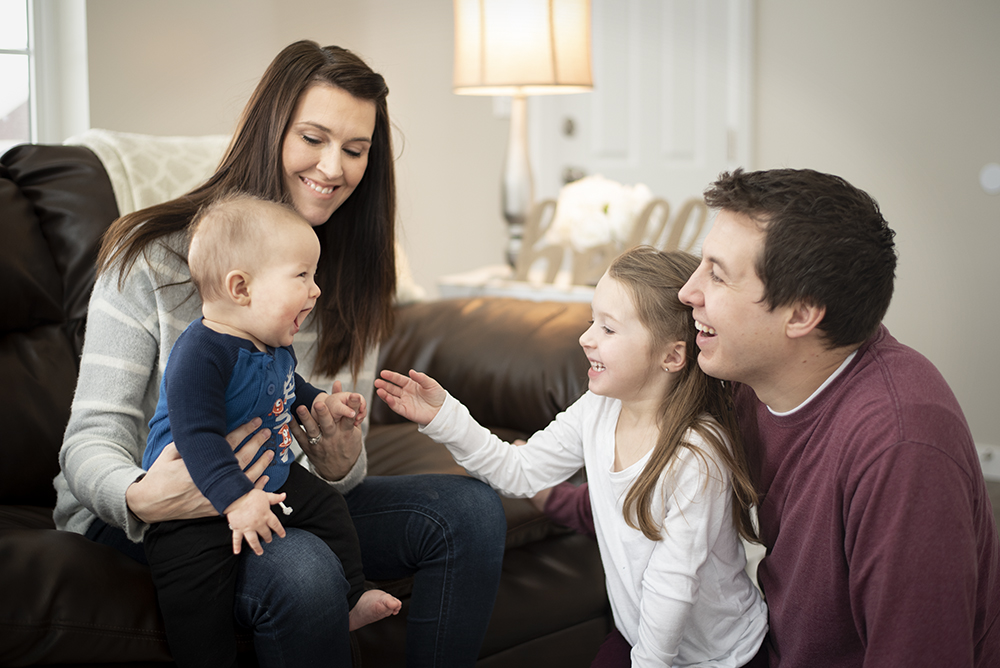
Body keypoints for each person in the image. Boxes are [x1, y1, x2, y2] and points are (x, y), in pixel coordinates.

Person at [54, 41, 506, 668]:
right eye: (313, 138)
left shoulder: (341, 278)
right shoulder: (152, 258)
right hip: (150, 515)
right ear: (270, 132)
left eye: (355, 150)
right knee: (304, 570)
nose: (333, 167)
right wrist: (141, 496)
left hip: (269, 491)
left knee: (471, 510)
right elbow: (89, 440)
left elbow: (328, 464)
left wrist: (343, 459)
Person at [538, 168, 1000, 667]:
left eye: (717, 274)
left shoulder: (902, 445)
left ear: (800, 314)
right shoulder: (741, 380)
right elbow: (661, 501)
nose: (688, 293)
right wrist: (544, 494)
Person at [375, 246, 769, 667]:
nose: (586, 338)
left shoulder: (697, 455)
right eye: (590, 322)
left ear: (672, 356)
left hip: (722, 655)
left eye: (609, 329)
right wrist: (444, 417)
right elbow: (518, 473)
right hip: (641, 639)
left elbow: (672, 585)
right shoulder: (598, 409)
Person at [141, 194, 400, 667]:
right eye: (302, 276)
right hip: (192, 504)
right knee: (195, 603)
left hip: (268, 480)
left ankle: (351, 598)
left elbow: (288, 386)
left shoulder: (273, 345)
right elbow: (196, 436)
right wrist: (237, 500)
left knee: (328, 507)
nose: (316, 290)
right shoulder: (200, 353)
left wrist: (321, 400)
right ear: (241, 288)